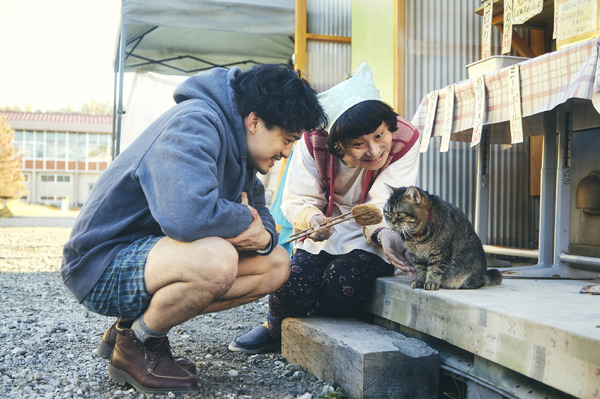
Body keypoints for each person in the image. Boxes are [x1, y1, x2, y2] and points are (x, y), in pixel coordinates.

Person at [61, 63, 326, 394]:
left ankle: (129, 330)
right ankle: (137, 348)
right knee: (216, 259)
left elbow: (261, 213)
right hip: (100, 264)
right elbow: (189, 216)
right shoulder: (194, 123)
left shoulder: (241, 147)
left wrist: (263, 236)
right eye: (286, 140)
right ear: (255, 121)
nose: (286, 152)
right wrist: (247, 222)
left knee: (276, 264)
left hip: (150, 258)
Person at [229, 63, 420, 354]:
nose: (374, 150)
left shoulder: (406, 140)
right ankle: (275, 326)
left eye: (379, 135)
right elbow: (297, 198)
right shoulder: (313, 140)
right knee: (292, 283)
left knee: (343, 284)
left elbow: (384, 203)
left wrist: (384, 234)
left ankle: (321, 313)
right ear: (337, 145)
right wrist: (312, 219)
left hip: (373, 233)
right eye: (358, 143)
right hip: (324, 229)